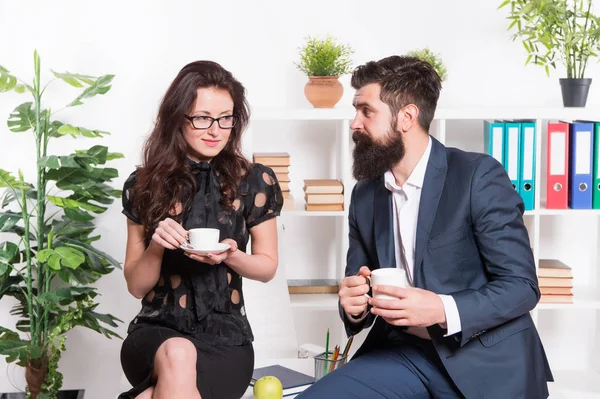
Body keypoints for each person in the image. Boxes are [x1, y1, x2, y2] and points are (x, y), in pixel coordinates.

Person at [298, 56, 553, 399]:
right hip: (404, 353)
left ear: (407, 116)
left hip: (485, 360)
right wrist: (353, 303)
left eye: (366, 111)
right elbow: (358, 288)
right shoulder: (364, 195)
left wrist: (441, 308)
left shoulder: (477, 176)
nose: (354, 123)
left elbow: (521, 286)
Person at [118, 60, 283, 399]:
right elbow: (136, 285)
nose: (215, 130)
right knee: (179, 353)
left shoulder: (254, 180)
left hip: (226, 341)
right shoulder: (143, 184)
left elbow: (267, 267)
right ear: (178, 118)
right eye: (202, 118)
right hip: (157, 335)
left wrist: (233, 256)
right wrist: (157, 245)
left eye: (226, 118)